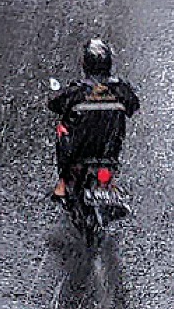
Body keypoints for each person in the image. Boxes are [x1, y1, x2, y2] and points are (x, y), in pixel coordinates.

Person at [50, 38, 139, 199]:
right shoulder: (120, 89)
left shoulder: (76, 90)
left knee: (61, 129)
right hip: (108, 152)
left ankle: (62, 183)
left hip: (79, 152)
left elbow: (55, 105)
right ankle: (110, 182)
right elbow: (133, 106)